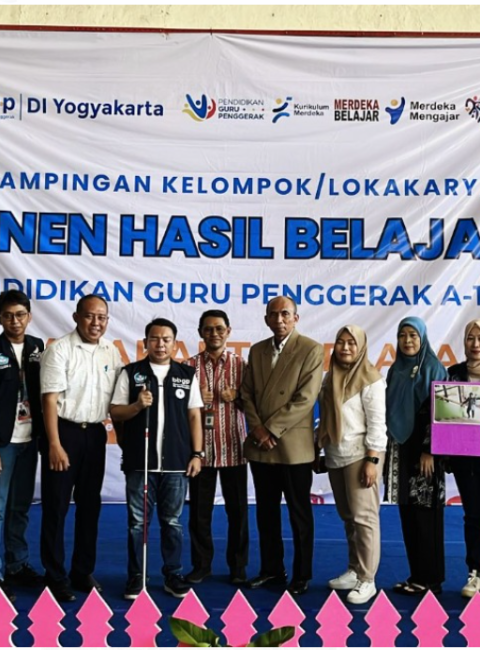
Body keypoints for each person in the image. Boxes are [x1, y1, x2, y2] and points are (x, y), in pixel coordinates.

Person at [110, 318, 203, 600]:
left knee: (172, 522)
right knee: (138, 523)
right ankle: (136, 577)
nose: (160, 344)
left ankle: (173, 574)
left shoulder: (186, 374)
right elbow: (116, 412)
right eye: (154, 339)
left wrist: (197, 454)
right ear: (146, 342)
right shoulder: (131, 373)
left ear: (174, 343)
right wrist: (138, 405)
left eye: (166, 339)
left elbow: (194, 415)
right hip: (141, 463)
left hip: (176, 462)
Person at [40, 294, 123, 602]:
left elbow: (118, 400)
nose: (96, 323)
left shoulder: (110, 352)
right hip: (64, 433)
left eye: (102, 317)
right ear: (76, 317)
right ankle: (55, 575)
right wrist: (54, 443)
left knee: (90, 506)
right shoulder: (59, 349)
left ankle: (82, 570)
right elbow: (49, 400)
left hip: (95, 435)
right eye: (90, 316)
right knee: (56, 506)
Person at [241, 296, 323, 596]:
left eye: (285, 314)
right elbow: (246, 394)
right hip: (261, 446)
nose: (279, 320)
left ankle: (302, 574)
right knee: (266, 513)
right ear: (266, 319)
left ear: (296, 318)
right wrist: (257, 429)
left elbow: (306, 399)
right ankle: (271, 570)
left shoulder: (311, 349)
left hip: (294, 447)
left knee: (299, 514)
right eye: (273, 315)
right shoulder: (257, 350)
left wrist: (271, 429)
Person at [318, 325, 387, 605]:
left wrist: (372, 460)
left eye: (351, 343)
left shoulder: (371, 379)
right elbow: (326, 418)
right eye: (341, 342)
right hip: (336, 454)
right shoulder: (330, 377)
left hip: (361, 456)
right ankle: (355, 569)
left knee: (364, 518)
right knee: (348, 516)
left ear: (361, 347)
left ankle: (368, 579)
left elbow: (377, 424)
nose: (345, 348)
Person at [184, 310, 249, 585]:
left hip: (234, 448)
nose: (214, 333)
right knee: (199, 513)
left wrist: (238, 396)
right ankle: (201, 566)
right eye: (208, 329)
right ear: (201, 332)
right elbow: (178, 407)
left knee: (238, 513)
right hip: (201, 453)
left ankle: (238, 567)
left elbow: (255, 403)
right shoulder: (188, 366)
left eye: (219, 328)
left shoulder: (241, 365)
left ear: (228, 331)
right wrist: (195, 399)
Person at [385, 316, 448, 596]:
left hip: (426, 455)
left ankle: (431, 579)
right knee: (409, 515)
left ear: (422, 338)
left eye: (413, 335)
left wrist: (429, 450)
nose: (407, 341)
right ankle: (416, 576)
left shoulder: (434, 368)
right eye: (403, 335)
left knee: (426, 517)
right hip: (401, 449)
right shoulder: (395, 369)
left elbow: (440, 415)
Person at [0, 290, 45, 602]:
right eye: (7, 315)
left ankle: (16, 565)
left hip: (30, 438)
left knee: (19, 507)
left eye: (19, 315)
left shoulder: (37, 346)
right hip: (2, 442)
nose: (14, 321)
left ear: (29, 316)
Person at [448, 319, 480, 597]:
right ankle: (475, 572)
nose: (476, 344)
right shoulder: (454, 373)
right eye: (471, 338)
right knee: (473, 515)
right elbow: (445, 416)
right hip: (465, 457)